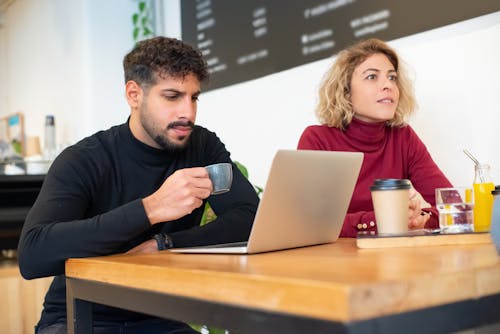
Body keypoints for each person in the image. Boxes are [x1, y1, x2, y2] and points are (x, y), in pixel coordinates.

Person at [17, 36, 259, 334]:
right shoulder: (84, 159)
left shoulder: (202, 147)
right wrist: (152, 208)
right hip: (79, 314)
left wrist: (166, 244)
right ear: (134, 94)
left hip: (160, 315)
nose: (188, 113)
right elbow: (33, 254)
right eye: (172, 96)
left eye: (194, 97)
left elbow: (250, 217)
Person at [297, 38, 452, 238]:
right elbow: (309, 220)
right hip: (334, 263)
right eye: (372, 77)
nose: (387, 85)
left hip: (389, 260)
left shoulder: (403, 136)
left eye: (392, 77)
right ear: (345, 93)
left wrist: (420, 220)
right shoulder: (317, 139)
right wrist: (382, 221)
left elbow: (451, 203)